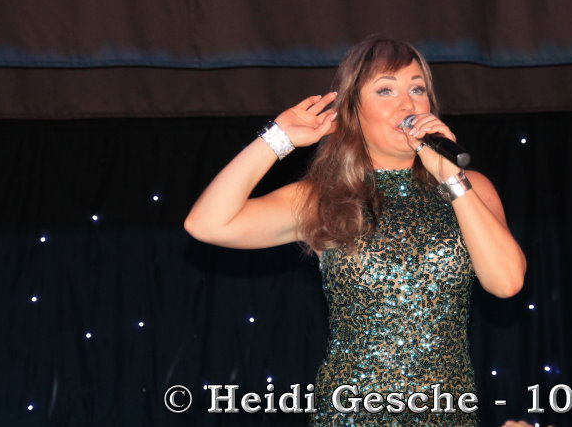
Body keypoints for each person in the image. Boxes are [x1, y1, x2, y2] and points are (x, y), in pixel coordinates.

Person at [184, 35, 527, 426]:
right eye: (386, 90)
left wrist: (451, 178)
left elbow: (507, 282)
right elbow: (206, 223)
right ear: (353, 110)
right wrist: (278, 139)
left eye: (417, 89)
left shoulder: (469, 188)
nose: (408, 104)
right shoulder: (324, 197)